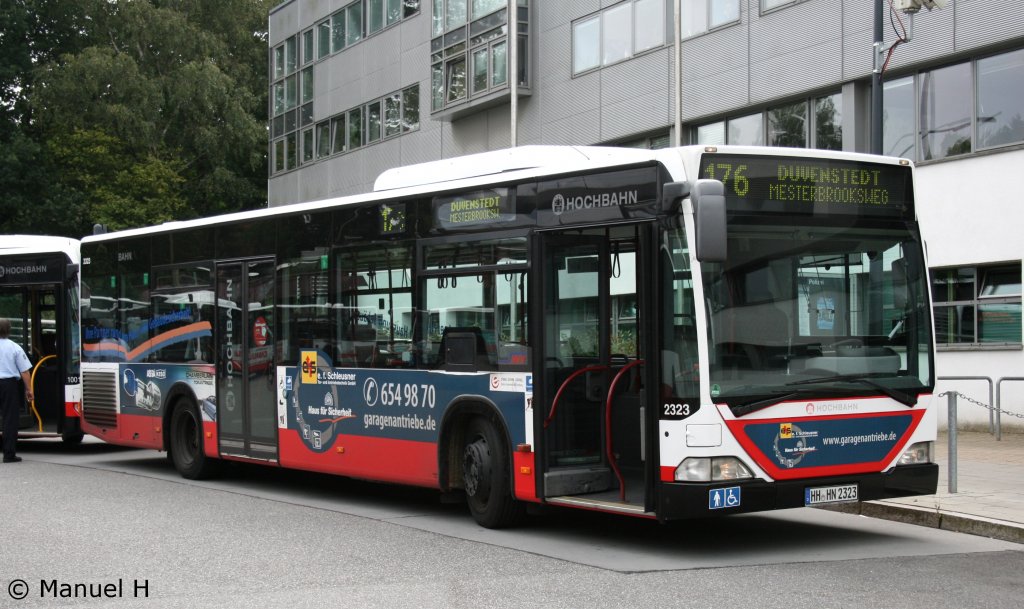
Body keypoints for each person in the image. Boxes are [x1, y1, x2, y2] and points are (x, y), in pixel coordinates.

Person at [0, 318, 33, 463]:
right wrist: (29, 389)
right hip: (8, 385)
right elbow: (24, 371)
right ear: (9, 330)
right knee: (10, 418)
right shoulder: (15, 347)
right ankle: (9, 454)